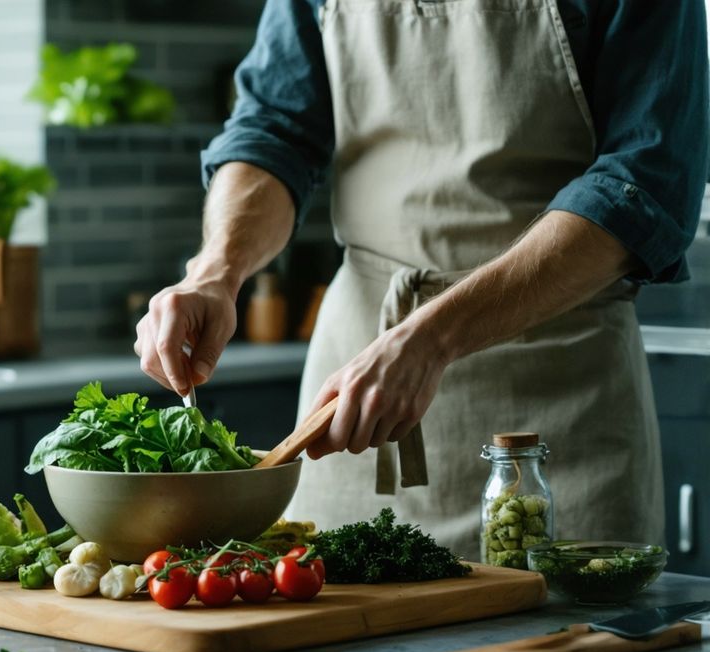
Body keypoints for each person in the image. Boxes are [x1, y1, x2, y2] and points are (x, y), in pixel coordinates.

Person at [133, 0, 708, 557]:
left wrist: (431, 337)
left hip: (558, 407)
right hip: (354, 398)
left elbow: (644, 184)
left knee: (564, 646)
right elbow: (274, 130)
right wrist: (215, 271)